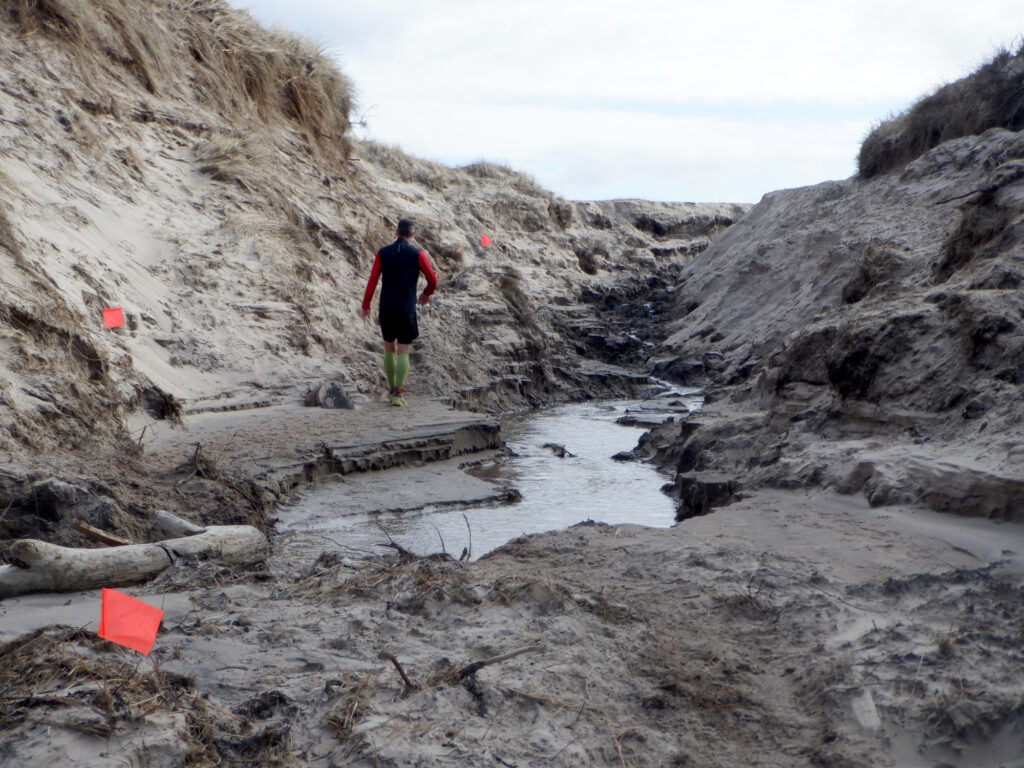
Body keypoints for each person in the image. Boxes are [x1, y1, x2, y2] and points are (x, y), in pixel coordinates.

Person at [360, 218, 438, 406]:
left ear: (396, 232)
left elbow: (372, 280)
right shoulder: (417, 254)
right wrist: (426, 294)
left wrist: (366, 305)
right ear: (412, 235)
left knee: (389, 348)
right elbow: (433, 280)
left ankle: (391, 388)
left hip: (386, 306)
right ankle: (398, 392)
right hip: (406, 308)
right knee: (404, 350)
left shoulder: (383, 253)